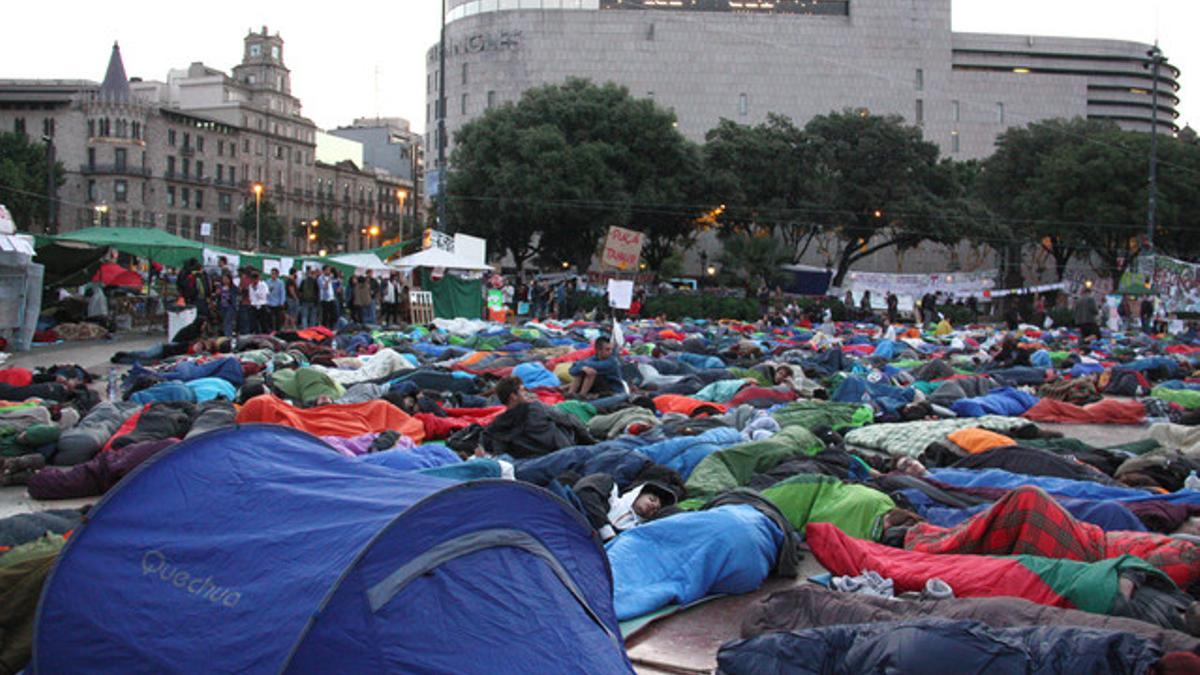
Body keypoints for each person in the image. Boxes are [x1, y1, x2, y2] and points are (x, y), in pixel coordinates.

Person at [482, 376, 595, 458]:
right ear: (513, 396)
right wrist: (591, 442)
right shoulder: (537, 409)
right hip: (564, 453)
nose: (526, 393)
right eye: (522, 391)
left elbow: (498, 451)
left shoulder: (497, 426)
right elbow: (569, 420)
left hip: (534, 461)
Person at [573, 474, 678, 541]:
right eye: (652, 499)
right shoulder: (609, 487)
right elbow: (585, 491)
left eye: (656, 510)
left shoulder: (635, 533)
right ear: (639, 492)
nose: (653, 506)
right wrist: (606, 531)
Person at [217, 273, 237, 338]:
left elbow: (234, 297)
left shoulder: (233, 287)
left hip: (230, 306)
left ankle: (228, 336)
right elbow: (218, 297)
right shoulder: (220, 287)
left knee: (227, 321)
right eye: (223, 279)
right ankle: (226, 335)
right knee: (224, 321)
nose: (225, 280)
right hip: (222, 306)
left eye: (226, 279)